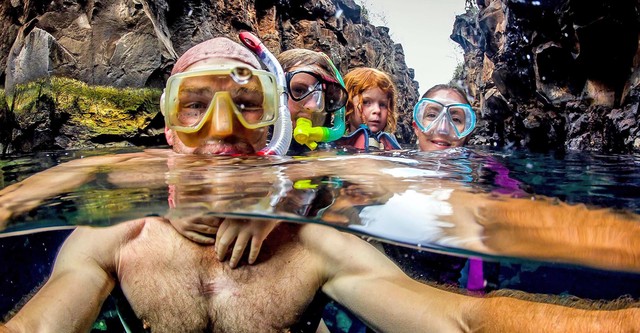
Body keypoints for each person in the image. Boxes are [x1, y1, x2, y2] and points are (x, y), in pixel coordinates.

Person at [276, 48, 348, 154]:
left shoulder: (337, 153)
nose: (313, 106)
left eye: (323, 96)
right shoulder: (252, 150)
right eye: (299, 90)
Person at [337, 67, 401, 151]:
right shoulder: (336, 144)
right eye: (366, 102)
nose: (377, 110)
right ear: (347, 105)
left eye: (382, 105)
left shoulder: (391, 145)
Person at [412, 84, 476, 151]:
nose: (442, 130)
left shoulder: (484, 160)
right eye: (432, 115)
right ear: (416, 127)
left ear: (467, 134)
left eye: (455, 119)